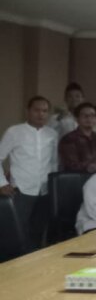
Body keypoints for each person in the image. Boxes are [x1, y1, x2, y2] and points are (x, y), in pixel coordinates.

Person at [0, 96, 58, 249]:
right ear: (28, 111)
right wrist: (2, 183)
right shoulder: (14, 132)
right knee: (17, 231)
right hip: (20, 190)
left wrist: (53, 186)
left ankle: (35, 261)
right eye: (37, 110)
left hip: (45, 190)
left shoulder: (52, 134)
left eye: (45, 111)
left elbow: (54, 162)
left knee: (38, 232)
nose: (41, 114)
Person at [59, 102, 96, 173]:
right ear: (77, 119)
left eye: (92, 116)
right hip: (76, 178)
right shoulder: (68, 139)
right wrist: (90, 167)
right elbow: (71, 164)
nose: (89, 118)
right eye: (85, 116)